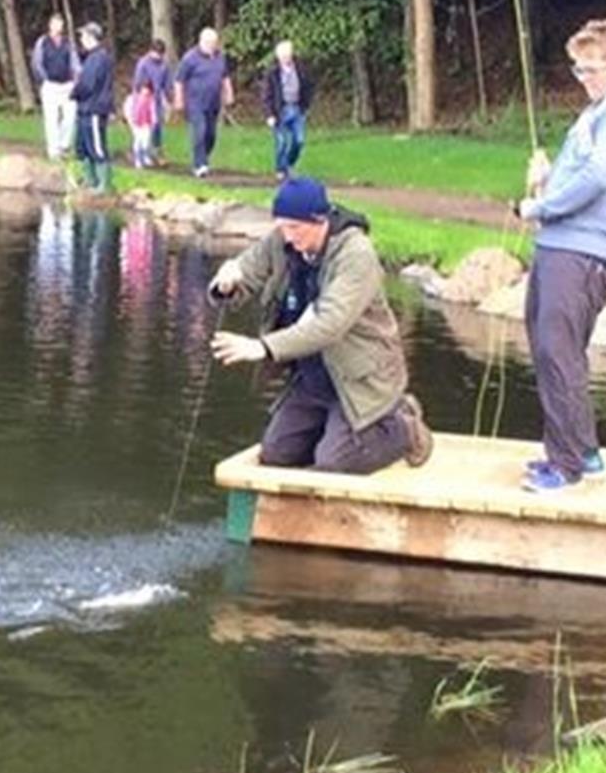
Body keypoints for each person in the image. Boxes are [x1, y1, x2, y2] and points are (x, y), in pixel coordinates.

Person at [515, 19, 606, 494]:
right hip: (558, 246)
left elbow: (599, 178)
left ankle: (566, 467)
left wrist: (539, 207)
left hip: (579, 253)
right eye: (577, 69)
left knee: (559, 354)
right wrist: (546, 177)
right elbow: (580, 173)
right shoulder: (599, 112)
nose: (582, 79)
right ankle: (583, 453)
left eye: (590, 69)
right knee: (548, 347)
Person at [208, 177, 434, 474]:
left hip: (361, 379)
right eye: (282, 226)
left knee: (333, 463)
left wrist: (263, 347)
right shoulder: (282, 239)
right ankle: (333, 431)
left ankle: (405, 429)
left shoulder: (356, 255)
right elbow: (247, 272)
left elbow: (330, 324)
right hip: (313, 378)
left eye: (295, 228)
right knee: (277, 456)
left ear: (320, 220)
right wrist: (227, 283)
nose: (287, 237)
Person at [173, 27, 234, 179]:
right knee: (199, 132)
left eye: (214, 43)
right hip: (195, 103)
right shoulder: (190, 58)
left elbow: (225, 77)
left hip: (213, 103)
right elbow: (179, 80)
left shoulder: (220, 57)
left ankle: (202, 156)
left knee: (211, 135)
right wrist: (179, 100)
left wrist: (229, 93)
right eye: (208, 42)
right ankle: (199, 165)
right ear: (201, 41)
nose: (211, 46)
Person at [259, 40, 313, 181]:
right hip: (280, 111)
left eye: (288, 56)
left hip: (296, 108)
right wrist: (269, 114)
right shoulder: (272, 73)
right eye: (283, 57)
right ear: (278, 57)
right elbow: (266, 95)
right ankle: (281, 169)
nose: (286, 59)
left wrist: (305, 107)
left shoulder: (300, 69)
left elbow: (308, 87)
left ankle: (288, 164)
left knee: (299, 140)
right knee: (282, 142)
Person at [72, 22, 116, 194]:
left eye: (83, 35)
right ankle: (90, 180)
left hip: (94, 108)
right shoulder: (92, 57)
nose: (81, 39)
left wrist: (74, 92)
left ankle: (103, 185)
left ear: (91, 37)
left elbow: (88, 84)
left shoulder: (99, 58)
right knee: (83, 145)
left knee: (96, 146)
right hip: (86, 107)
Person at [30, 15, 79, 161]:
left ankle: (64, 145)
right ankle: (53, 150)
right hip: (50, 85)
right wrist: (44, 79)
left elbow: (74, 61)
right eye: (56, 24)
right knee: (51, 119)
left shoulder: (68, 43)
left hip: (67, 84)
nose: (59, 27)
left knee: (70, 117)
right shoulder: (42, 42)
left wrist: (76, 77)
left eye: (61, 24)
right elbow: (37, 63)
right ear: (50, 26)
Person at [130, 39, 172, 164]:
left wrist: (168, 98)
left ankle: (156, 151)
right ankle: (141, 152)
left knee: (157, 126)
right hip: (144, 99)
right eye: (156, 53)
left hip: (157, 99)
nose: (158, 56)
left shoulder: (164, 65)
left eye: (160, 54)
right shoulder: (143, 63)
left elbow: (167, 83)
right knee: (143, 127)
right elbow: (138, 82)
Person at [123, 81, 159, 169]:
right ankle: (138, 159)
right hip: (136, 123)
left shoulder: (151, 99)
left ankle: (145, 156)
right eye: (144, 88)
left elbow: (153, 110)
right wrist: (129, 119)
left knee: (146, 141)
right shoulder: (133, 98)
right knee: (138, 141)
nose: (145, 91)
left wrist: (154, 120)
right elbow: (128, 108)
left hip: (146, 123)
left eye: (147, 89)